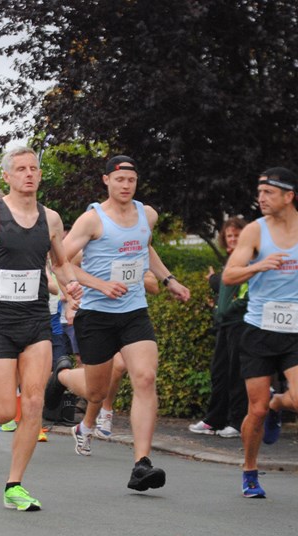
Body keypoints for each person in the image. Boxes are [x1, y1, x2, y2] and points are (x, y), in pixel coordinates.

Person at [0, 147, 82, 510]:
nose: (28, 174)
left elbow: (60, 262)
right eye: (21, 169)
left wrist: (71, 284)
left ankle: (14, 485)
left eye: (33, 169)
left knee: (35, 400)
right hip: (0, 322)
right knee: (4, 413)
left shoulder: (51, 219)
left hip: (36, 319)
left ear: (39, 175)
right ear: (7, 176)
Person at [56, 155, 190, 491]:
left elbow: (146, 248)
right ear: (106, 181)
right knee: (97, 391)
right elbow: (60, 260)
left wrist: (169, 280)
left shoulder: (147, 215)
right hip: (96, 315)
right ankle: (61, 375)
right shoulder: (92, 220)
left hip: (133, 312)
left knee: (145, 377)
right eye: (119, 180)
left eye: (131, 180)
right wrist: (99, 285)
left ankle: (141, 464)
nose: (126, 186)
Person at [223, 167, 298, 498]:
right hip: (259, 329)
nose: (261, 198)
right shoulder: (255, 231)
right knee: (254, 411)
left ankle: (276, 404)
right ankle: (250, 471)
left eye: (268, 192)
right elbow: (229, 275)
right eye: (259, 192)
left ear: (289, 196)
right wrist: (259, 265)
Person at [189, 218, 248, 438]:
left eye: (237, 235)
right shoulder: (231, 259)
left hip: (240, 323)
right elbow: (225, 288)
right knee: (219, 372)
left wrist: (228, 308)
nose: (232, 239)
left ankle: (237, 422)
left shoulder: (249, 260)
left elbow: (246, 293)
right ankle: (214, 419)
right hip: (225, 324)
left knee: (236, 374)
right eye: (229, 236)